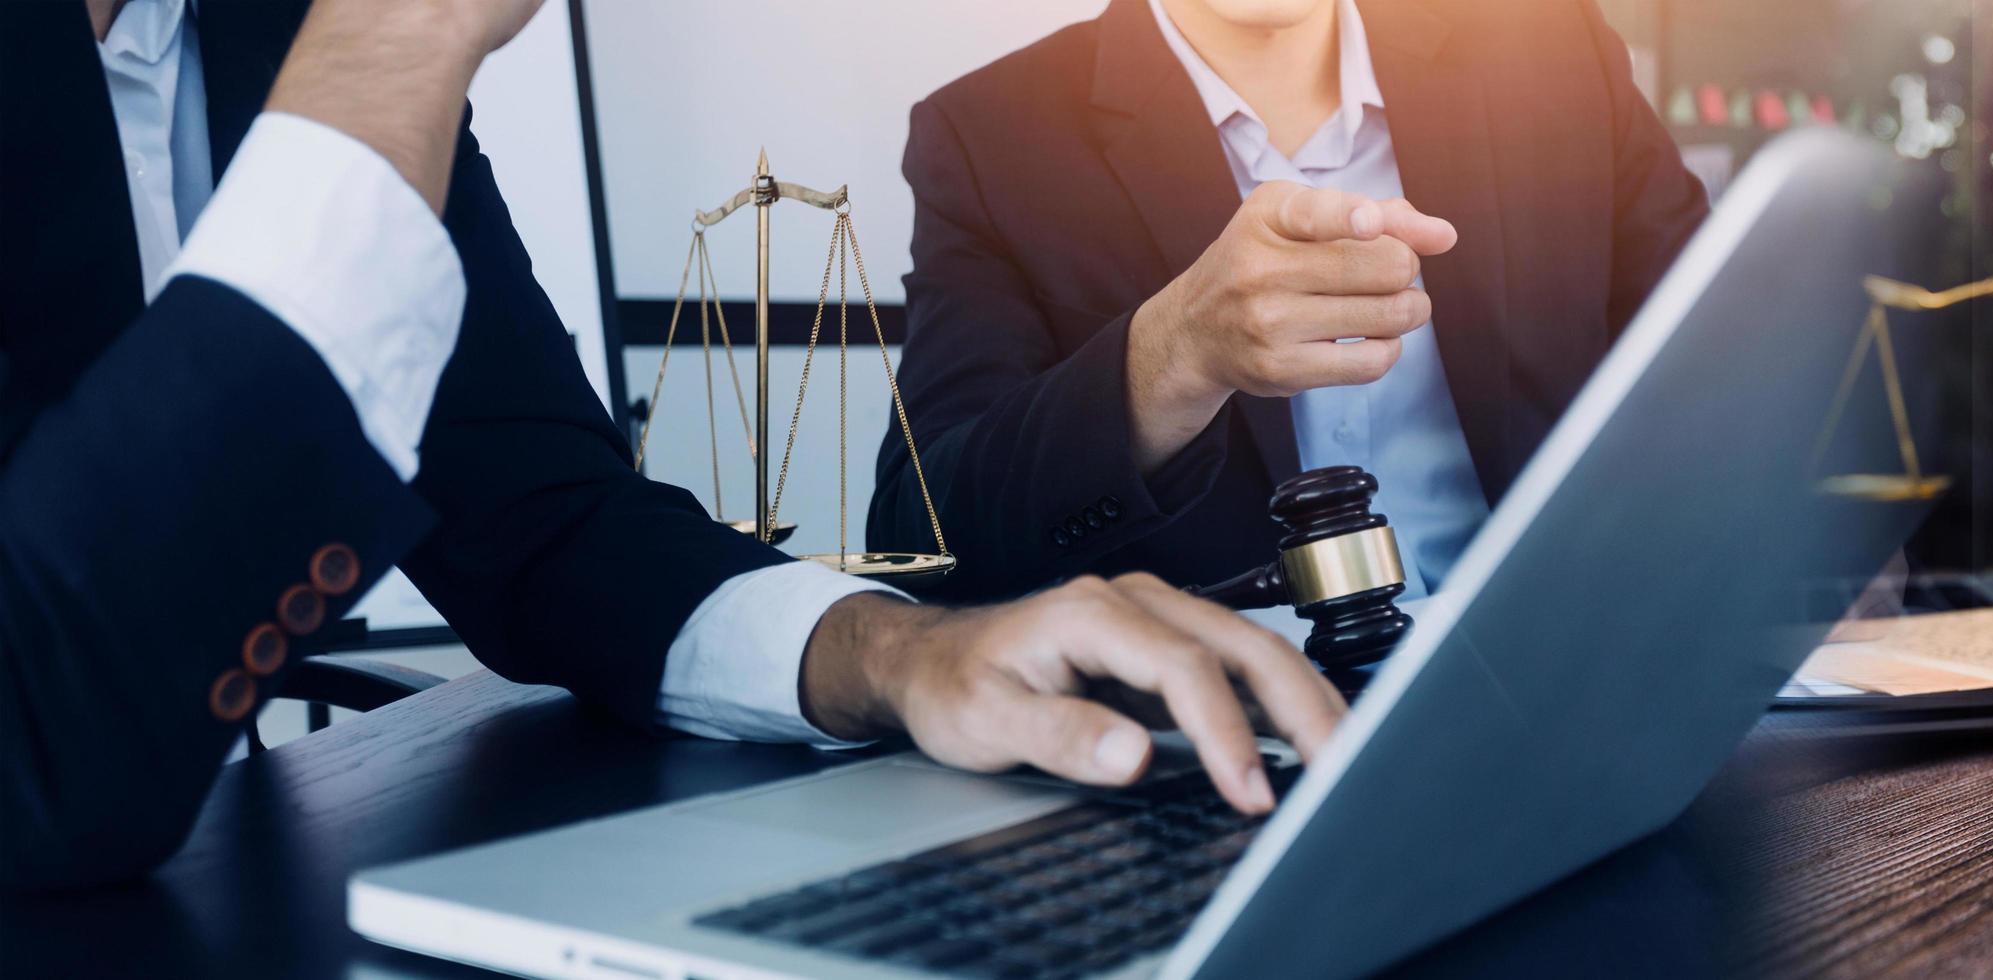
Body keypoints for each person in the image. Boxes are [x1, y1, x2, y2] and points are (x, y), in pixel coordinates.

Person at [1, 0, 1340, 892]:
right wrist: (396, 40)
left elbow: (541, 516)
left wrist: (891, 655)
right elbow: (39, 753)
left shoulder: (269, 30)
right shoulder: (362, 43)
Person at [870, 0, 1710, 602]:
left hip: (1570, 668)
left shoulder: (1551, 45)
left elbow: (1729, 357)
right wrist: (1172, 357)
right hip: (1228, 744)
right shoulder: (990, 133)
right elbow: (922, 538)